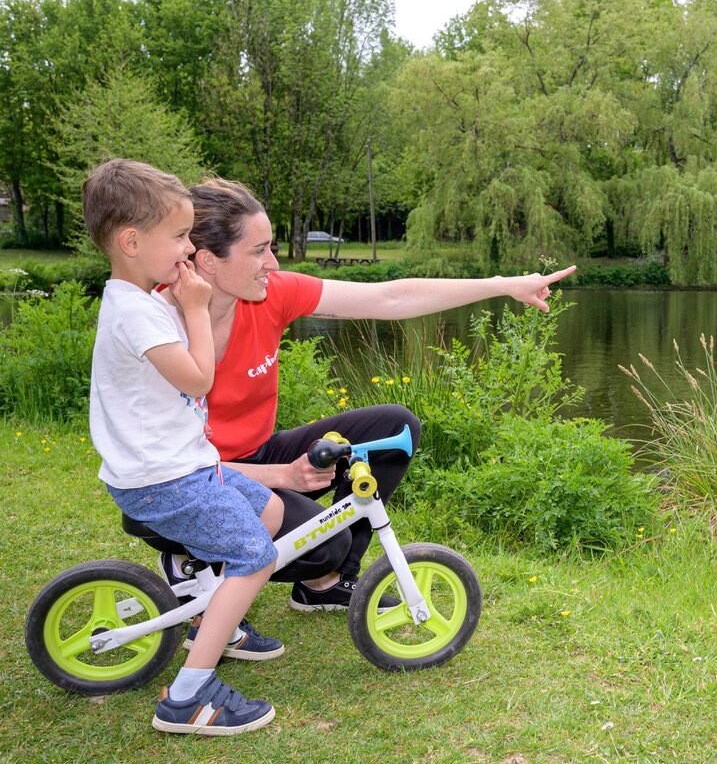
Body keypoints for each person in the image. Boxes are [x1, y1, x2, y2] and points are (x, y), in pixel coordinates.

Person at [161, 177, 574, 611]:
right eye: (258, 251)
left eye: (272, 247)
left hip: (256, 455)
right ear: (207, 261)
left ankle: (324, 585)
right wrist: (282, 477)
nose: (273, 264)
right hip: (189, 481)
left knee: (395, 428)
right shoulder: (159, 326)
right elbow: (167, 469)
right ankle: (194, 562)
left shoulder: (270, 295)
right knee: (324, 546)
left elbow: (391, 298)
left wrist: (502, 284)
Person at [82, 159, 283, 736]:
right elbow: (199, 379)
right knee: (256, 556)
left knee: (267, 511)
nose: (188, 249)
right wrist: (196, 307)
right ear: (131, 240)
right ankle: (188, 698)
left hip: (187, 465)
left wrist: (188, 303)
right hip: (163, 479)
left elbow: (195, 366)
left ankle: (218, 620)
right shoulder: (135, 313)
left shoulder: (145, 298)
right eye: (178, 237)